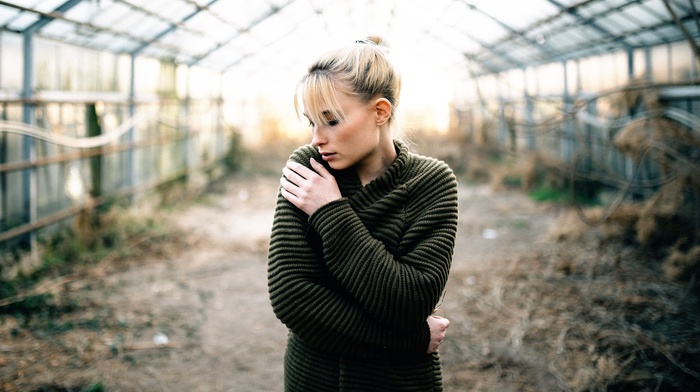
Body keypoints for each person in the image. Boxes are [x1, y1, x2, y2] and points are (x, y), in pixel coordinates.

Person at [267, 35, 459, 391]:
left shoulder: (431, 183)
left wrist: (329, 211)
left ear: (380, 111)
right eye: (311, 122)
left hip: (397, 383)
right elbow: (292, 296)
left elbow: (409, 302)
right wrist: (410, 339)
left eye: (331, 121)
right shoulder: (307, 168)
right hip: (314, 379)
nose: (316, 138)